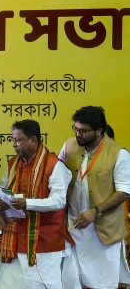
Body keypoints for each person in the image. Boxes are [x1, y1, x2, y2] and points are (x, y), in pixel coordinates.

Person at [0, 120, 71, 289]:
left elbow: (59, 201)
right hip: (14, 240)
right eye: (13, 140)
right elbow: (1, 189)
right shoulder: (13, 164)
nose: (14, 145)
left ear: (33, 141)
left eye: (18, 140)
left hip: (43, 243)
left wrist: (26, 203)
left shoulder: (54, 165)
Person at [60, 106, 130, 288]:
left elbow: (124, 191)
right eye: (75, 128)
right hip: (72, 227)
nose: (78, 134)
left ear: (99, 131)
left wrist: (96, 211)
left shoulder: (118, 153)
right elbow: (57, 175)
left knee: (102, 283)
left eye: (83, 131)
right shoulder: (68, 146)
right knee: (71, 280)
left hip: (103, 232)